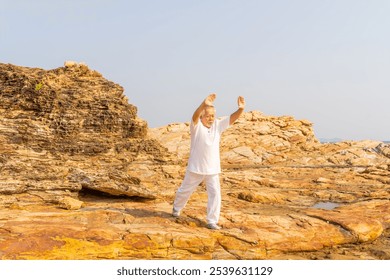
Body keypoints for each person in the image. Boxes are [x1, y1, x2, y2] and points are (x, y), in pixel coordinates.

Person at [172, 93, 246, 230]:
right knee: (185, 191)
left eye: (213, 115)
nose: (211, 118)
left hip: (212, 169)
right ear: (202, 116)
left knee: (215, 194)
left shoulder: (217, 126)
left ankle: (212, 221)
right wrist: (203, 104)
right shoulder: (197, 126)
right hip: (195, 168)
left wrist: (240, 109)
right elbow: (194, 117)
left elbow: (231, 119)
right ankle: (176, 208)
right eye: (208, 115)